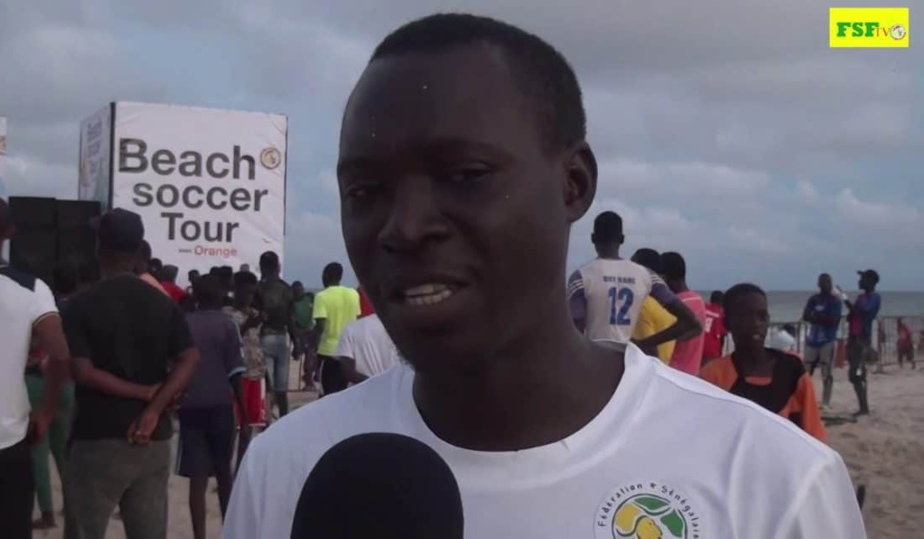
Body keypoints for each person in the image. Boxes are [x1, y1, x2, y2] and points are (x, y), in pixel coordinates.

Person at [225, 14, 865, 539]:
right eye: (365, 189)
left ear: (574, 184)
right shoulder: (285, 469)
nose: (404, 227)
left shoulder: (772, 483)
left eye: (464, 175)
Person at [61, 208, 199, 539]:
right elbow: (190, 358)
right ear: (139, 253)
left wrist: (144, 395)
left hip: (97, 438)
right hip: (152, 442)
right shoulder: (162, 303)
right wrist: (153, 408)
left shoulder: (80, 305)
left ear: (99, 248)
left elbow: (83, 372)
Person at [0, 193, 72, 539]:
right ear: (10, 232)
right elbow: (59, 355)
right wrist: (45, 413)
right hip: (7, 446)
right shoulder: (32, 289)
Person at [701, 284, 827, 442]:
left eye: (762, 316)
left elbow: (814, 436)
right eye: (745, 316)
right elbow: (708, 436)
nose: (756, 323)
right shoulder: (713, 375)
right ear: (727, 324)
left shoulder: (792, 370)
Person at [569, 211, 701, 356]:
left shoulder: (581, 277)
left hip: (595, 361)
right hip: (628, 364)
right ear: (622, 239)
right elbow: (691, 322)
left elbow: (575, 331)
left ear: (593, 238)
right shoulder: (646, 275)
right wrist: (644, 344)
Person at [181, 275, 248, 539]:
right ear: (220, 296)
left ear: (196, 296)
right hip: (221, 404)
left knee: (197, 478)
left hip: (190, 405)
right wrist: (243, 410)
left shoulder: (184, 323)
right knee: (224, 473)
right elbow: (236, 372)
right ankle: (229, 530)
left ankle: (200, 535)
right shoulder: (227, 325)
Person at [26, 262, 79, 530]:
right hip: (67, 383)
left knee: (38, 450)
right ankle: (72, 509)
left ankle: (46, 512)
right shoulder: (81, 309)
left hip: (37, 383)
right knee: (64, 451)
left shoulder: (41, 310)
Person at [224, 271, 268, 437]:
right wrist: (248, 325)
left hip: (256, 373)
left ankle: (242, 460)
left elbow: (257, 342)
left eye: (252, 293)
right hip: (238, 374)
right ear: (236, 290)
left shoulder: (255, 314)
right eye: (246, 292)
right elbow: (231, 341)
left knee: (251, 424)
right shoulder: (227, 314)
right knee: (235, 424)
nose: (249, 297)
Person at [257, 251, 298, 417]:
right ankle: (284, 419)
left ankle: (267, 422)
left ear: (262, 267)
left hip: (264, 337)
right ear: (278, 267)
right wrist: (297, 342)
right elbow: (290, 318)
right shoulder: (287, 288)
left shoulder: (258, 288)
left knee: (267, 386)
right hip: (282, 338)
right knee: (282, 388)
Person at [312, 262, 361, 395]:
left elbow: (320, 325)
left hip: (328, 352)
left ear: (325, 276)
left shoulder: (321, 296)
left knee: (326, 394)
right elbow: (358, 319)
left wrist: (312, 346)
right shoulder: (353, 294)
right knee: (344, 394)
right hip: (349, 353)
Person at [661, 252, 706, 375]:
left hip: (672, 375)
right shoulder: (698, 300)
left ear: (664, 277)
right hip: (692, 374)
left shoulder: (674, 306)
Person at [802, 274, 843, 407]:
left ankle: (826, 401)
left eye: (828, 282)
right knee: (806, 372)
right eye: (823, 282)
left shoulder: (835, 301)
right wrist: (821, 317)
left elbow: (833, 320)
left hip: (827, 339)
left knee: (826, 372)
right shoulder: (814, 299)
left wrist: (817, 316)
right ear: (819, 284)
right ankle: (804, 400)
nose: (826, 284)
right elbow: (806, 316)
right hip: (812, 339)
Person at [629, 249, 676, 364]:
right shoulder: (667, 303)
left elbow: (648, 352)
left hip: (646, 375)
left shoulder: (643, 304)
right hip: (664, 370)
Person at [845, 270, 880, 416]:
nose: (859, 281)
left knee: (858, 373)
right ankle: (863, 406)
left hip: (862, 340)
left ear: (870, 281)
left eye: (862, 279)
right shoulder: (861, 297)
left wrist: (845, 300)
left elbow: (863, 312)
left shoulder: (874, 298)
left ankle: (864, 408)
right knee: (854, 374)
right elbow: (852, 315)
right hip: (853, 338)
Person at [334, 314, 400, 385]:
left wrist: (374, 384)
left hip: (360, 391)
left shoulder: (350, 329)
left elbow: (349, 372)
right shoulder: (399, 328)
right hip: (394, 388)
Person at [291, 281, 318, 391]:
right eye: (296, 291)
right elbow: (292, 321)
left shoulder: (310, 297)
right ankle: (308, 380)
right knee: (307, 356)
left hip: (312, 330)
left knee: (313, 356)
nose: (299, 293)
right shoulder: (293, 304)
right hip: (301, 332)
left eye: (300, 290)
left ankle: (309, 378)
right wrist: (297, 336)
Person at [703, 290, 727, 363]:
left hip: (698, 347)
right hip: (712, 351)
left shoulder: (703, 307)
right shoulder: (722, 314)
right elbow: (722, 337)